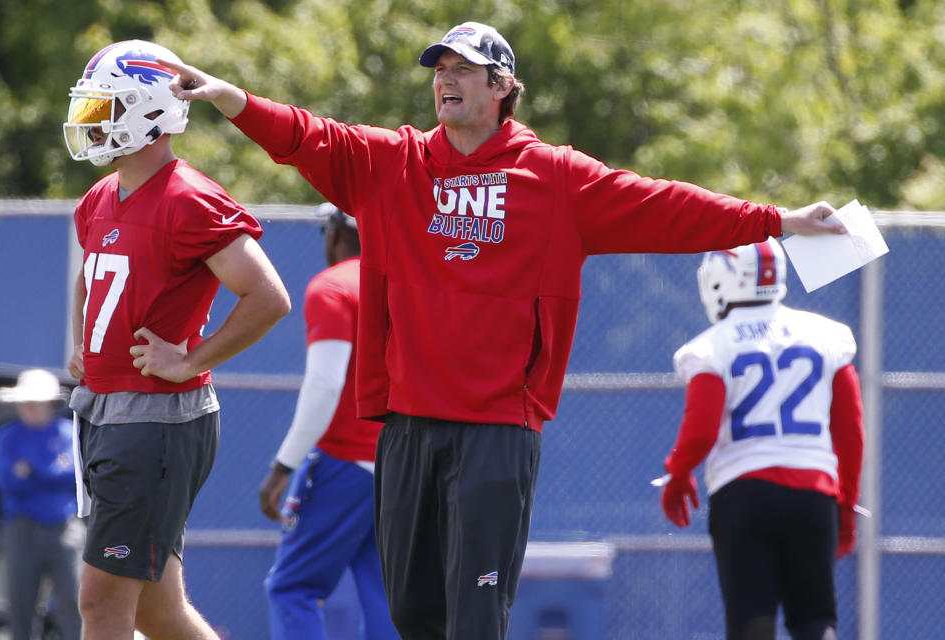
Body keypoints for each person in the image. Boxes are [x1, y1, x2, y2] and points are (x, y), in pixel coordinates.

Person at [159, 21, 844, 639]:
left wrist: (777, 220)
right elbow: (306, 134)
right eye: (439, 70)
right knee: (410, 610)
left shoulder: (555, 178)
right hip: (404, 425)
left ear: (502, 86)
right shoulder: (390, 165)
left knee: (477, 614)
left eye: (463, 69)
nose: (446, 80)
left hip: (496, 429)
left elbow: (668, 206)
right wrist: (232, 99)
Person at [62, 39, 291, 640]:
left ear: (147, 110)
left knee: (101, 603)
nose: (91, 123)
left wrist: (191, 357)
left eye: (104, 108)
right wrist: (83, 341)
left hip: (155, 418)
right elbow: (90, 275)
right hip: (108, 411)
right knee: (156, 612)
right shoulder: (99, 198)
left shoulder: (189, 198)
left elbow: (269, 297)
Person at [659, 237, 865, 640]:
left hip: (743, 493)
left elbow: (700, 429)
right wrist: (845, 499)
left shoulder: (710, 347)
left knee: (751, 622)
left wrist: (678, 473)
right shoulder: (826, 336)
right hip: (813, 491)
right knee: (814, 619)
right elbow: (850, 429)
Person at [257, 203, 398, 640]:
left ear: (335, 234)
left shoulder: (334, 287)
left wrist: (282, 467)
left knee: (292, 587)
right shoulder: (408, 283)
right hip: (403, 462)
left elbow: (324, 386)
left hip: (345, 462)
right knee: (383, 592)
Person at [0, 369, 83, 640]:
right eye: (26, 402)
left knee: (72, 599)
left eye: (36, 401)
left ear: (49, 403)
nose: (30, 408)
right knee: (21, 604)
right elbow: (6, 481)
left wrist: (32, 470)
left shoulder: (67, 433)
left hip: (65, 529)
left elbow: (73, 478)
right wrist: (50, 471)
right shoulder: (6, 436)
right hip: (21, 528)